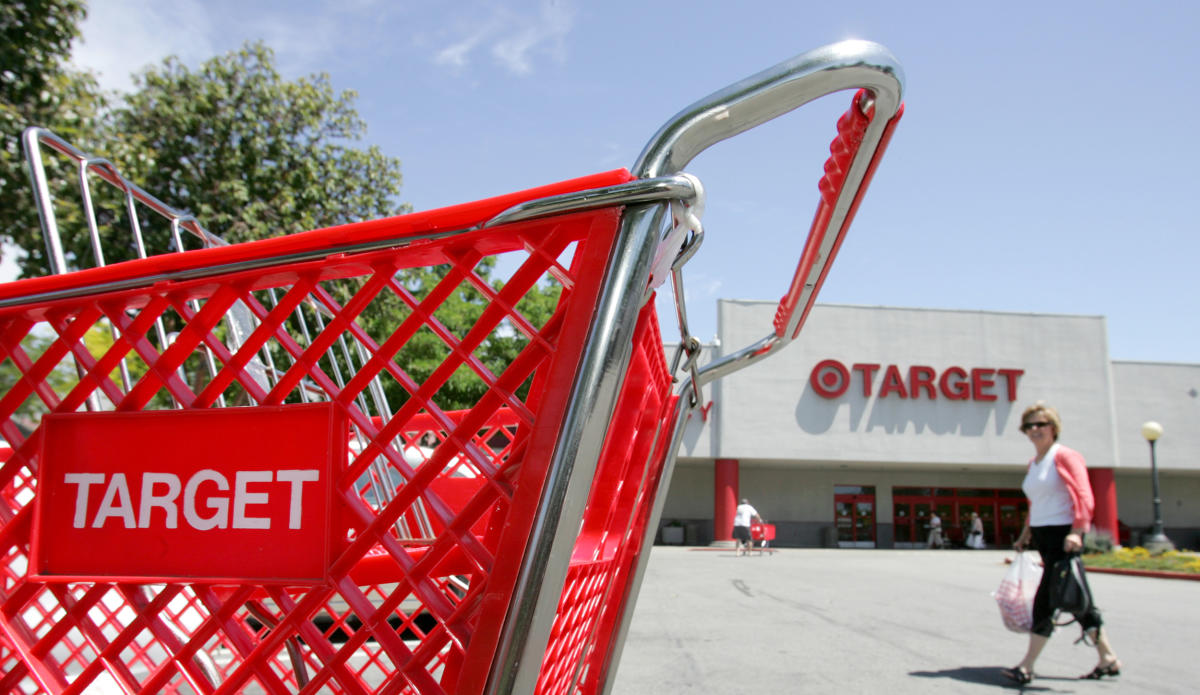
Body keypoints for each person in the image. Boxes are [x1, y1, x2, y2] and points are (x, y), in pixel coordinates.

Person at [1004, 402, 1121, 685]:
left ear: (1053, 427)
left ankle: (1027, 665)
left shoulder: (1065, 456)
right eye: (1029, 425)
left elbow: (1084, 495)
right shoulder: (1034, 464)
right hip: (1043, 535)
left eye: (1040, 424)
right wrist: (1025, 533)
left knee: (1046, 599)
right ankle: (1108, 658)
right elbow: (1037, 502)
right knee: (1078, 599)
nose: (1034, 430)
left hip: (1063, 536)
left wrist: (1077, 531)